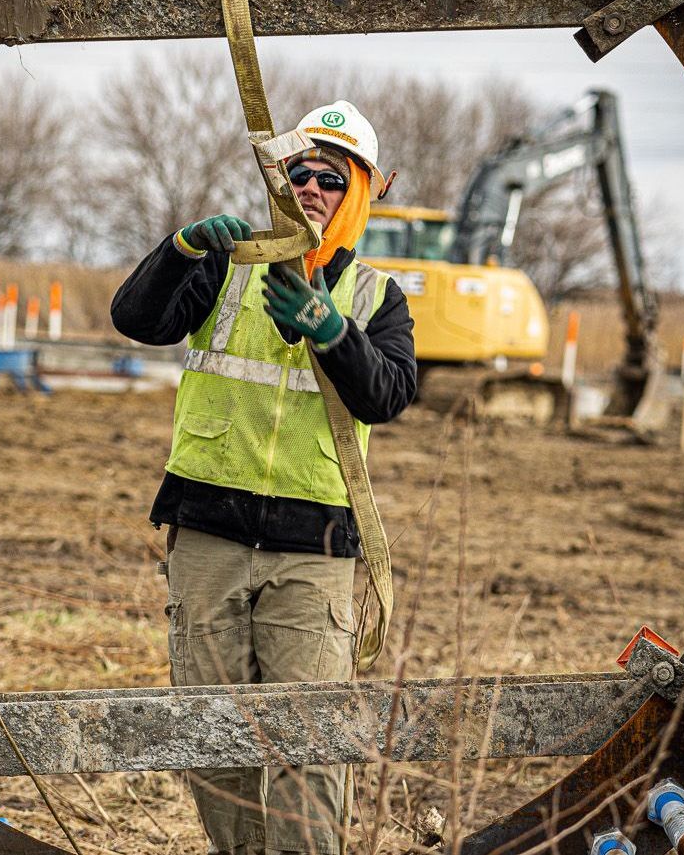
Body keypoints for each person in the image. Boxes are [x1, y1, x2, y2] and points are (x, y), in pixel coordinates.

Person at [111, 100, 417, 855]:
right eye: (298, 172)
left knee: (310, 747)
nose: (310, 188)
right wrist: (179, 249)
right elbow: (135, 319)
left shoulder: (377, 296)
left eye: (331, 179)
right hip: (208, 540)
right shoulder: (228, 263)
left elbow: (388, 393)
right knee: (214, 739)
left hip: (313, 555)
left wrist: (333, 332)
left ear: (361, 196)